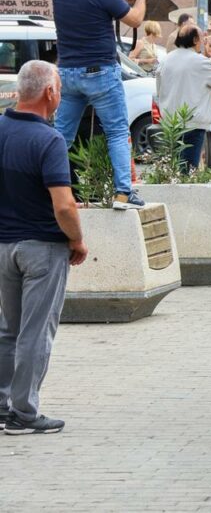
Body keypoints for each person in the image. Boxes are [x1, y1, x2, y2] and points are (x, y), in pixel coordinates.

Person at [0, 61, 87, 436]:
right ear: (49, 92)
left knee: (8, 331)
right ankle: (23, 413)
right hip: (42, 249)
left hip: (4, 247)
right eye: (60, 91)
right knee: (36, 332)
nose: (60, 97)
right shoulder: (48, 140)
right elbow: (64, 205)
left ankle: (2, 407)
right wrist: (77, 239)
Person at [51, 0, 150, 211]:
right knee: (117, 132)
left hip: (68, 73)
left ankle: (45, 189)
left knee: (61, 136)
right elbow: (135, 18)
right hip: (100, 73)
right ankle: (123, 193)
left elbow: (91, 9)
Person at [155, 25, 211, 169]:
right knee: (188, 168)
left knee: (175, 168)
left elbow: (159, 91)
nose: (204, 40)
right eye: (201, 37)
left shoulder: (165, 61)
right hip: (192, 123)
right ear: (194, 40)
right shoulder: (200, 62)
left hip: (170, 123)